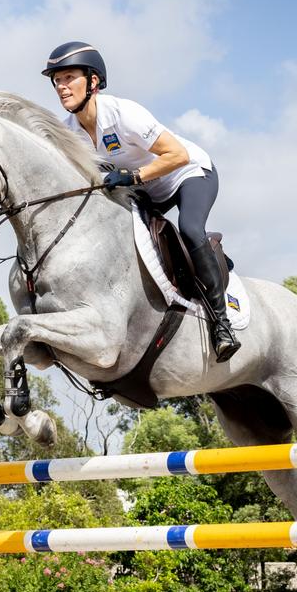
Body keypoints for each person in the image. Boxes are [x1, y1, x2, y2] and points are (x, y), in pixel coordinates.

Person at [42, 41, 241, 363]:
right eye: (56, 82)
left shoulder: (123, 114)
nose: (61, 87)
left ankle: (221, 323)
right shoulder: (70, 132)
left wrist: (133, 177)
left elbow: (178, 155)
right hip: (146, 190)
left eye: (68, 78)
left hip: (187, 174)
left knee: (190, 229)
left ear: (93, 81)